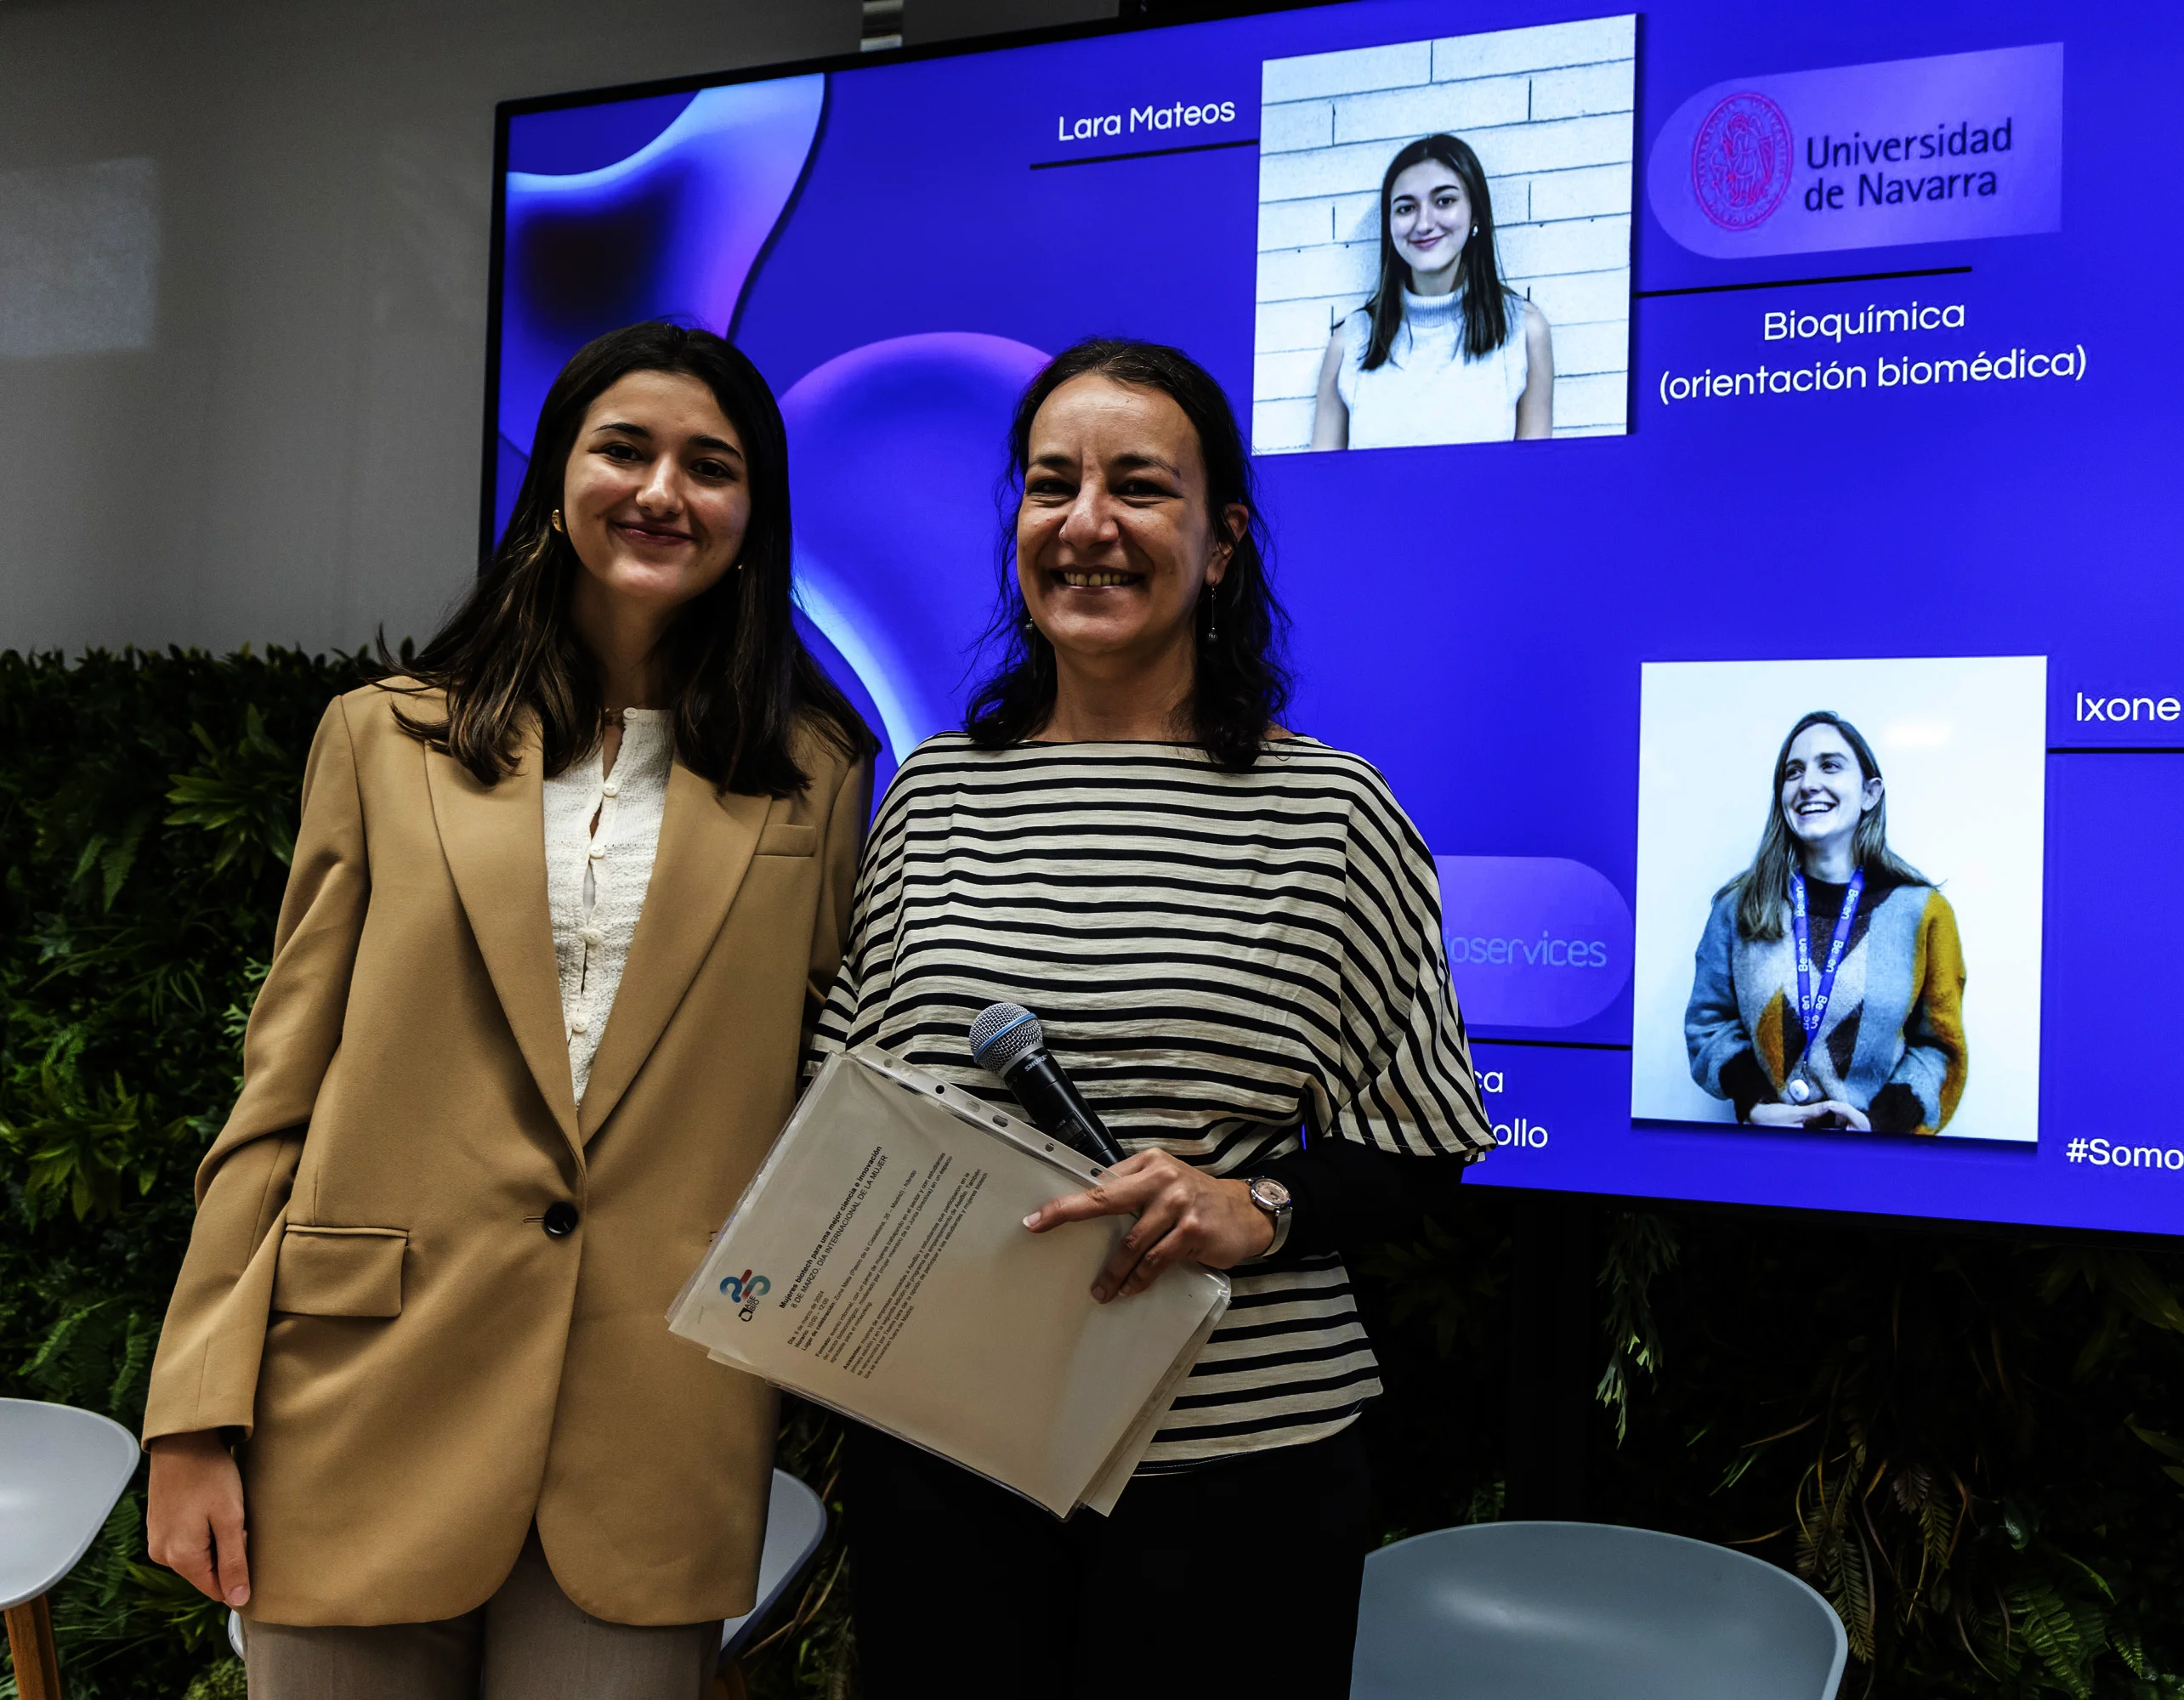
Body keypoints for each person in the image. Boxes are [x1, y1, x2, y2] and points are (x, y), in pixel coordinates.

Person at [141, 321, 876, 1699]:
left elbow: (824, 1093)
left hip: (656, 1424)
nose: (664, 490)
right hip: (355, 1396)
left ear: (752, 517)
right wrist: (192, 1413)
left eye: (711, 467)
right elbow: (278, 1093)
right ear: (556, 480)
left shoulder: (818, 772)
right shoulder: (385, 735)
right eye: (626, 450)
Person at [811, 337, 1494, 1697]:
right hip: (949, 1444)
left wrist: (1261, 1208)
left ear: (1223, 540)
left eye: (1140, 488)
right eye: (1051, 485)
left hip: (1236, 1467)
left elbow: (1421, 1145)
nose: (1088, 525)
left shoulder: (1335, 814)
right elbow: (849, 1101)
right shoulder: (938, 791)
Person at [1684, 711, 1966, 1135]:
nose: (1807, 783)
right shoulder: (1738, 907)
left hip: (1875, 1171)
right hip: (1760, 1161)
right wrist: (1756, 1101)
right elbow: (1709, 1023)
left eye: (1830, 765)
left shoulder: (1923, 912)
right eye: (1792, 772)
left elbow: (1939, 1046)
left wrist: (1881, 1124)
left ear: (1870, 794)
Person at [1311, 132, 1553, 450]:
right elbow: (1322, 485)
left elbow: (1532, 482)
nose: (1424, 223)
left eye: (1444, 201)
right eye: (1406, 208)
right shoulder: (1349, 341)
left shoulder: (1525, 329)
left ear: (1475, 214)